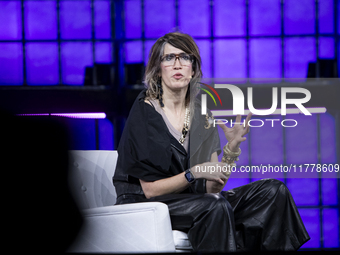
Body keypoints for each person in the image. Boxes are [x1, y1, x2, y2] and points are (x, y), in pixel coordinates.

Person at [113, 32, 310, 252]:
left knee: (274, 191)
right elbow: (151, 190)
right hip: (144, 204)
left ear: (194, 69)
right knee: (214, 206)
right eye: (169, 58)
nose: (177, 64)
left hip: (192, 201)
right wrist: (193, 173)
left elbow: (212, 186)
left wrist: (231, 150)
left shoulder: (202, 115)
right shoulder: (145, 111)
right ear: (158, 69)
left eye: (185, 57)